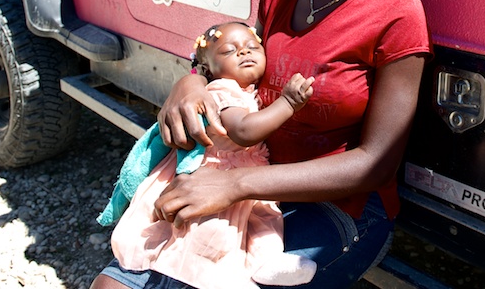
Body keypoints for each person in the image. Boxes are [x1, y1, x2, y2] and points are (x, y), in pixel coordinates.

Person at [144, 0, 432, 289]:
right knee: (130, 272)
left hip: (340, 206)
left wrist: (235, 184)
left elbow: (375, 164)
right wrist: (191, 80)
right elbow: (239, 64)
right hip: (255, 181)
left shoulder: (400, 14)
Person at [92, 22, 318, 289]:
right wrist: (288, 103)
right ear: (208, 68)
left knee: (262, 219)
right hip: (215, 171)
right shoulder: (222, 91)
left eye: (251, 47)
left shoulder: (249, 94)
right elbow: (244, 131)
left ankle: (263, 263)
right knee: (207, 229)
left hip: (243, 174)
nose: (244, 53)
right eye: (229, 50)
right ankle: (214, 274)